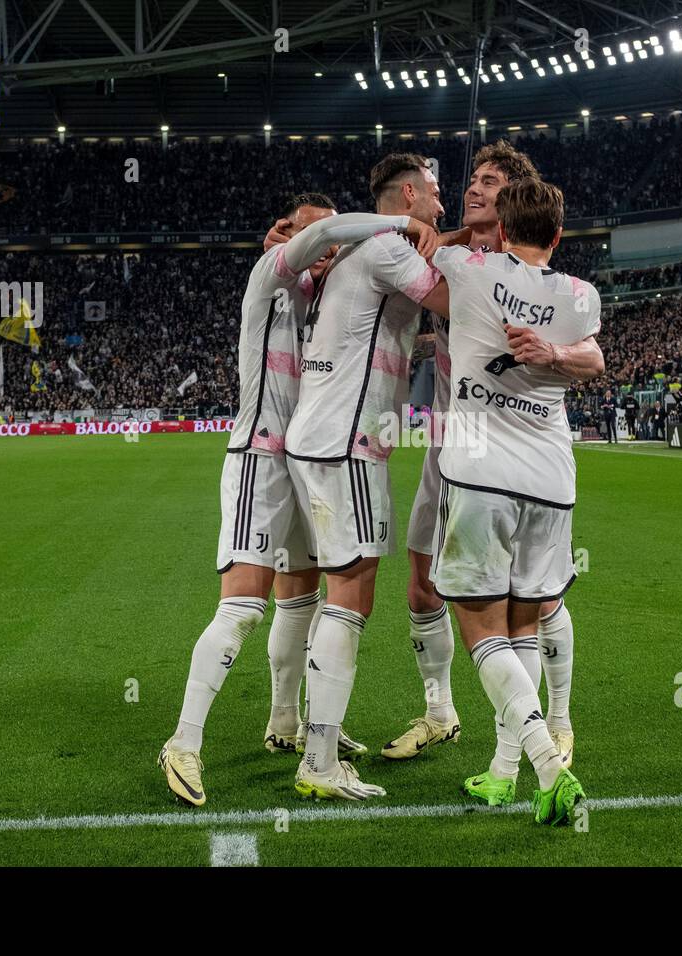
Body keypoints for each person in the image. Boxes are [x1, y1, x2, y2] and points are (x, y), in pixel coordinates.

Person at [157, 194, 441, 806]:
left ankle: (286, 725)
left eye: (332, 245)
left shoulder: (322, 299)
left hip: (302, 461)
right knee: (242, 608)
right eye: (315, 238)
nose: (328, 251)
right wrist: (401, 223)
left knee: (301, 601)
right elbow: (328, 233)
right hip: (259, 458)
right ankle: (183, 741)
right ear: (284, 234)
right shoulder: (271, 276)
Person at [383, 143, 597, 768]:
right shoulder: (460, 262)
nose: (474, 188)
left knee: (537, 604)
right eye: (471, 180)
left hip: (505, 449)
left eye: (491, 183)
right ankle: (441, 712)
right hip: (450, 445)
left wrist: (554, 355)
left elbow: (592, 357)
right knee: (423, 587)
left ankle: (555, 720)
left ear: (513, 204)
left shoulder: (532, 277)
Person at [282, 153, 451, 800]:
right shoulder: (385, 247)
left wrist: (444, 241)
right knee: (351, 595)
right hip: (348, 443)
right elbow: (448, 297)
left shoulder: (367, 248)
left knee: (336, 594)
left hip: (320, 438)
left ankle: (313, 732)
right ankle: (320, 762)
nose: (442, 204)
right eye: (434, 195)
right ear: (407, 194)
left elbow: (432, 258)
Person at [430, 176, 600, 824]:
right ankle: (504, 773)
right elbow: (594, 357)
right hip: (553, 481)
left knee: (482, 631)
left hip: (479, 471)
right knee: (523, 625)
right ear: (557, 237)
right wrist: (553, 351)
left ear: (501, 231)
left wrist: (456, 232)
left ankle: (550, 769)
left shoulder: (468, 268)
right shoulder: (579, 295)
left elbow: (423, 248)